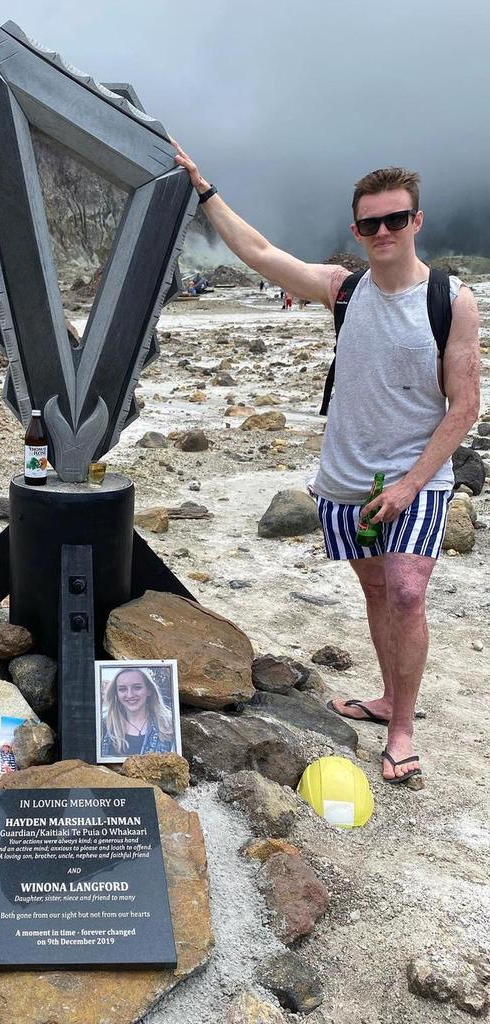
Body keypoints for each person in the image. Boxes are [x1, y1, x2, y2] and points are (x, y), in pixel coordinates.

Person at [172, 141, 480, 785]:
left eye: (396, 219)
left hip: (414, 476)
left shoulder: (452, 301)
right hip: (345, 477)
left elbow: (463, 408)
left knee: (406, 590)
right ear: (356, 230)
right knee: (374, 589)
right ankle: (389, 696)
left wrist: (411, 485)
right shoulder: (343, 290)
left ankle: (402, 727)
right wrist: (204, 189)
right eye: (371, 223)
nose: (384, 232)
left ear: (417, 221)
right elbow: (260, 252)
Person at [101, 667, 176, 757]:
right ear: (116, 693)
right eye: (122, 689)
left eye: (137, 687)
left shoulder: (169, 725)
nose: (130, 695)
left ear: (149, 690)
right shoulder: (104, 726)